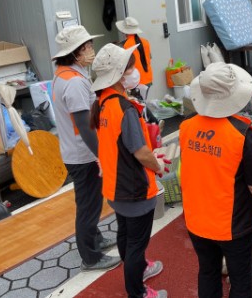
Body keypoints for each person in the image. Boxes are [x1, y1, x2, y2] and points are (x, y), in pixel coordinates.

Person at [179, 62, 252, 298]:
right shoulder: (242, 134)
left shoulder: (187, 127)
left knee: (208, 272)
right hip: (233, 226)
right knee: (240, 281)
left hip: (197, 219)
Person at [91, 43, 168, 298]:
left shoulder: (103, 103)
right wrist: (157, 167)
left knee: (125, 234)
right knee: (137, 243)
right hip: (134, 188)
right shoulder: (124, 109)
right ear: (119, 75)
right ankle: (138, 291)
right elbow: (140, 152)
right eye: (131, 67)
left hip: (115, 185)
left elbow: (120, 146)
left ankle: (136, 271)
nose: (135, 71)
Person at [52, 25, 120, 272]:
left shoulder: (63, 73)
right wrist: (102, 155)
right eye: (88, 46)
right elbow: (84, 125)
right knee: (88, 206)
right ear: (76, 52)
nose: (92, 50)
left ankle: (96, 239)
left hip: (74, 151)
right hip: (82, 154)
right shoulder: (74, 83)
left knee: (90, 202)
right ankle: (90, 257)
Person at [116, 17, 153, 88]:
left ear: (123, 31)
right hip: (148, 78)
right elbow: (149, 59)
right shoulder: (145, 42)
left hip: (134, 81)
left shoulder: (124, 45)